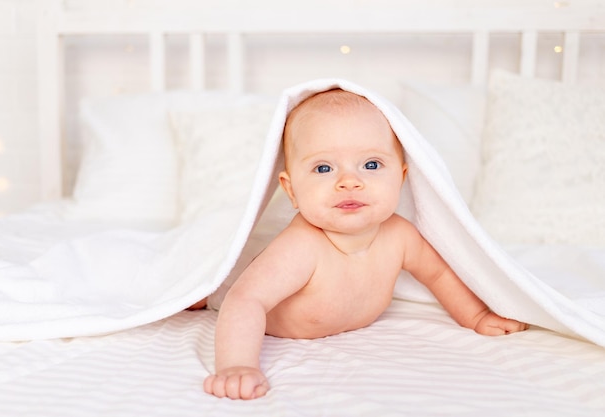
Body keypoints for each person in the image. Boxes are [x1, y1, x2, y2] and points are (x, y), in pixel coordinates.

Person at [203, 89, 529, 400]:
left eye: (371, 165)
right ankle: (201, 291)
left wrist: (476, 317)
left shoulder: (400, 236)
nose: (349, 181)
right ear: (291, 190)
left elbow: (439, 276)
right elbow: (246, 300)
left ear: (401, 178)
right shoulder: (301, 246)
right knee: (220, 286)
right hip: (238, 291)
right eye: (324, 167)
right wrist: (237, 365)